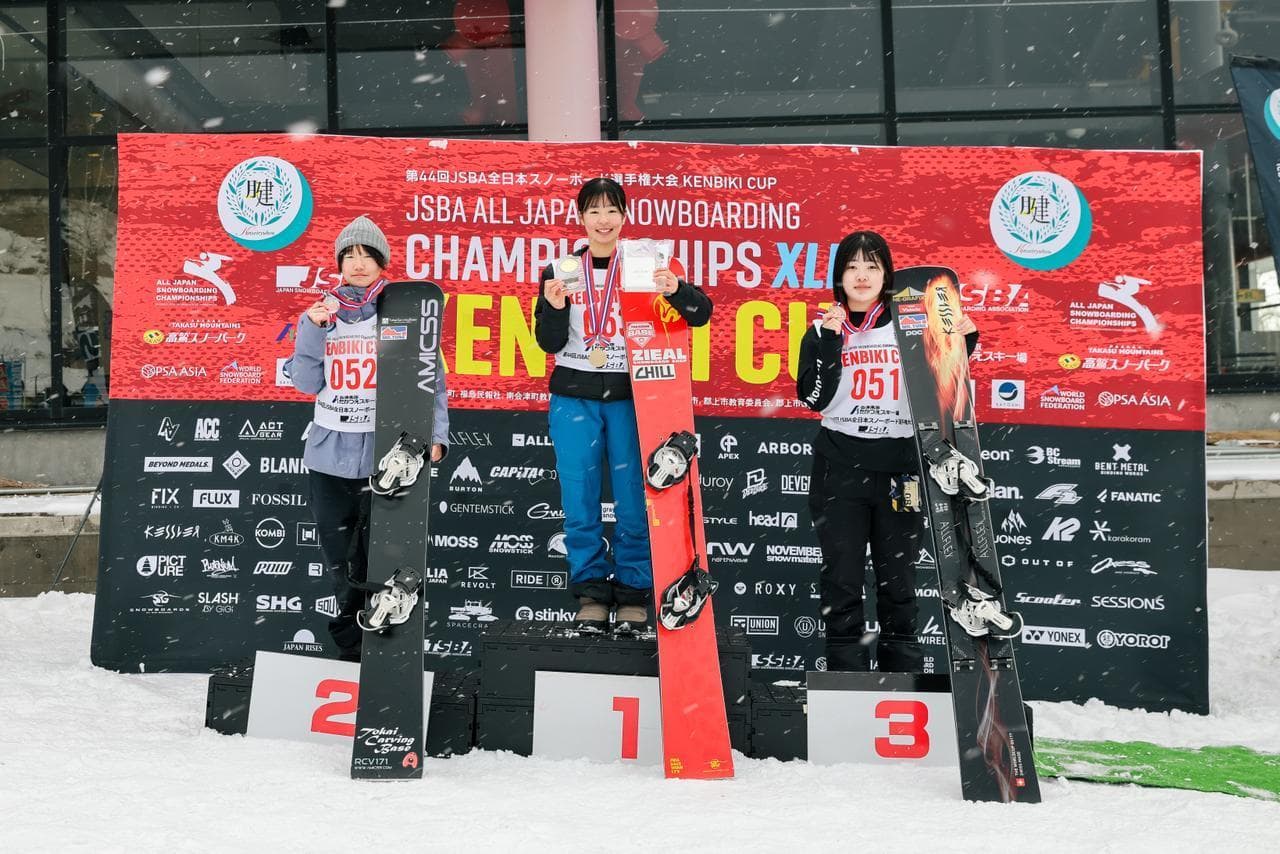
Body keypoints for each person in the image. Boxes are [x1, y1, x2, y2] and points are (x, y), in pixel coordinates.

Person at [534, 177, 712, 635]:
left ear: (624, 216)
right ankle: (591, 593)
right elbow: (548, 343)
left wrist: (675, 289)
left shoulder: (645, 264)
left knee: (635, 501)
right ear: (580, 218)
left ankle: (633, 592)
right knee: (579, 501)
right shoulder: (560, 269)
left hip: (634, 400)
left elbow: (701, 313)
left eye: (612, 210)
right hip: (574, 396)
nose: (603, 220)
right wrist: (554, 308)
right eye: (594, 211)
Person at [796, 231, 976, 672]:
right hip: (840, 466)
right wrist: (829, 343)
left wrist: (964, 342)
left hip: (901, 469)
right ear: (839, 277)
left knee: (899, 580)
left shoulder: (912, 326)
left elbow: (943, 384)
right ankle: (846, 671)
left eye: (872, 266)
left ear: (887, 275)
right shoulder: (821, 331)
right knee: (842, 578)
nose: (862, 276)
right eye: (852, 266)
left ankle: (902, 671)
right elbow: (815, 399)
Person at [287, 215, 449, 661]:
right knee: (342, 564)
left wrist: (436, 435)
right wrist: (311, 329)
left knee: (385, 560)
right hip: (329, 459)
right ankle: (352, 647)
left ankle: (382, 651)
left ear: (382, 262)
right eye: (349, 256)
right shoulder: (321, 313)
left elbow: (432, 380)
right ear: (339, 263)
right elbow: (305, 382)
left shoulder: (403, 310)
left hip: (388, 458)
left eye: (367, 255)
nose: (358, 264)